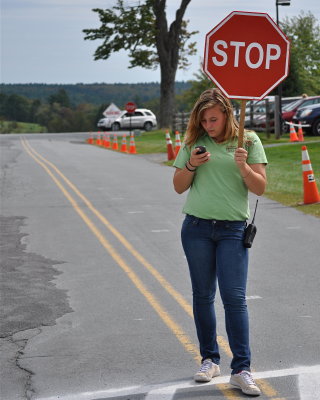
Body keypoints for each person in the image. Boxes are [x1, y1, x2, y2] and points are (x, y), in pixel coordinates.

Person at [173, 88, 267, 396]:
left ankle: (241, 369)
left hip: (232, 231)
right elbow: (177, 187)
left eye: (213, 119)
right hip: (196, 228)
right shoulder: (193, 143)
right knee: (202, 296)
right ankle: (209, 359)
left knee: (234, 298)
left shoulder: (248, 141)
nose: (209, 125)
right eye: (204, 120)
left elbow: (260, 188)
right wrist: (191, 166)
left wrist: (243, 167)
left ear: (228, 113)